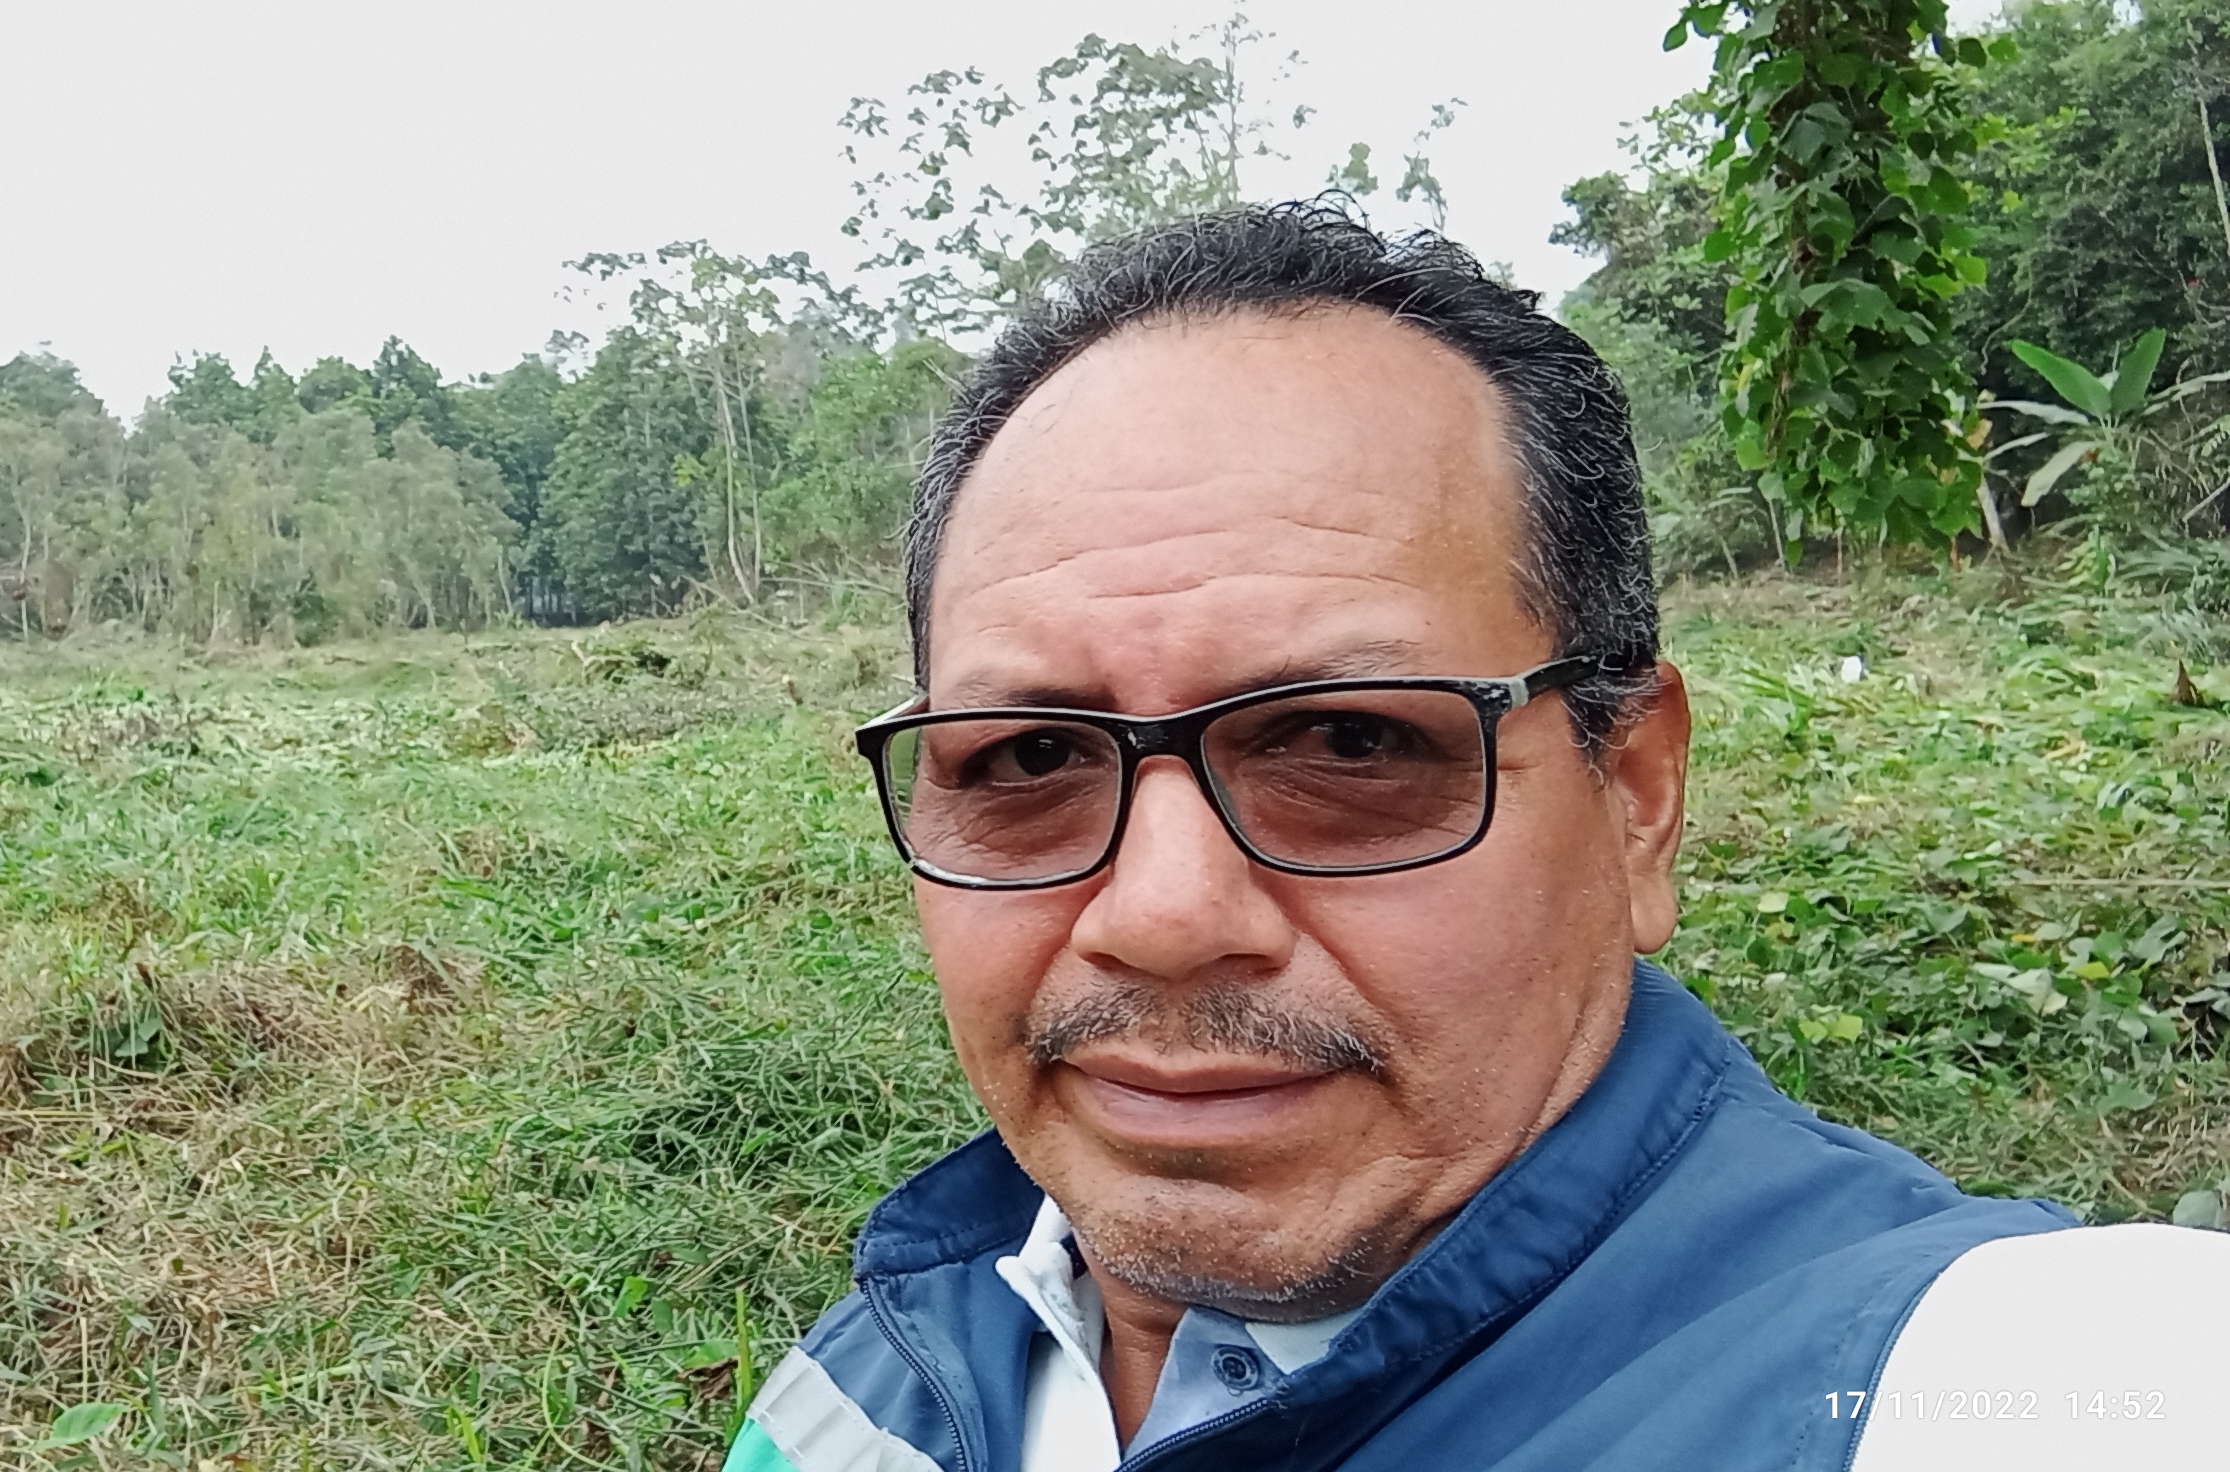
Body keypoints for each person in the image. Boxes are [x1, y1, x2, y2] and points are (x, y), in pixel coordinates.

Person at [725, 204, 2228, 1472]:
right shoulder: (897, 1349)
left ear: (1635, 797)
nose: (1163, 915)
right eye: (1027, 757)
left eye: (1351, 743)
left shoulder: (1973, 1381)